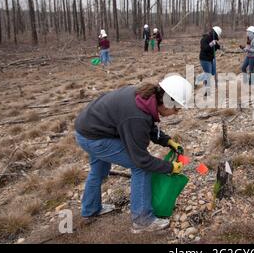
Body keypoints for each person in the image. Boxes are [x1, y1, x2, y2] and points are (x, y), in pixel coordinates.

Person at [74, 75, 193, 233]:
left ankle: (90, 209)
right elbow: (142, 160)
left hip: (89, 128)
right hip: (95, 137)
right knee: (141, 168)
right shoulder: (136, 116)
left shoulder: (145, 97)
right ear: (167, 101)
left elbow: (146, 124)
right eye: (176, 108)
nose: (176, 113)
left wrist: (167, 140)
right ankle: (142, 221)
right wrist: (170, 167)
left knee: (98, 170)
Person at [197, 26, 222, 96]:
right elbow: (205, 48)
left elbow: (217, 46)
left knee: (212, 73)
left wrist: (220, 47)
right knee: (208, 75)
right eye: (217, 35)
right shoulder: (204, 39)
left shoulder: (213, 40)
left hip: (211, 59)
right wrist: (211, 44)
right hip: (205, 59)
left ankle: (200, 78)